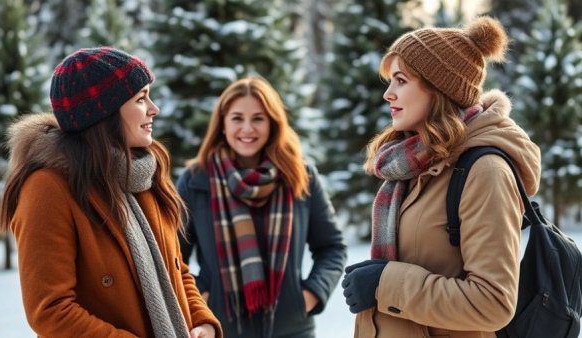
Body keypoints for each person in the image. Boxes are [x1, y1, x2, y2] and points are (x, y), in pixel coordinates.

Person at [0, 47, 222, 338]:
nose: (154, 109)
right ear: (104, 113)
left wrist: (201, 321)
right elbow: (51, 311)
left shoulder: (144, 176)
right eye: (141, 99)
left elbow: (176, 271)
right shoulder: (48, 189)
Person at [341, 17, 542, 337]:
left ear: (438, 88)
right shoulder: (415, 164)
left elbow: (493, 302)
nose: (388, 94)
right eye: (389, 81)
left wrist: (385, 284)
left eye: (401, 80)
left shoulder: (485, 172)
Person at [176, 76, 347, 338]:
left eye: (258, 118)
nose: (247, 128)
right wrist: (201, 297)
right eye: (237, 118)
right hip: (220, 329)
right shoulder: (196, 180)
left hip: (291, 330)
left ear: (272, 123)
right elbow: (173, 257)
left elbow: (331, 248)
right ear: (222, 124)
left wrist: (310, 295)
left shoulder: (300, 176)